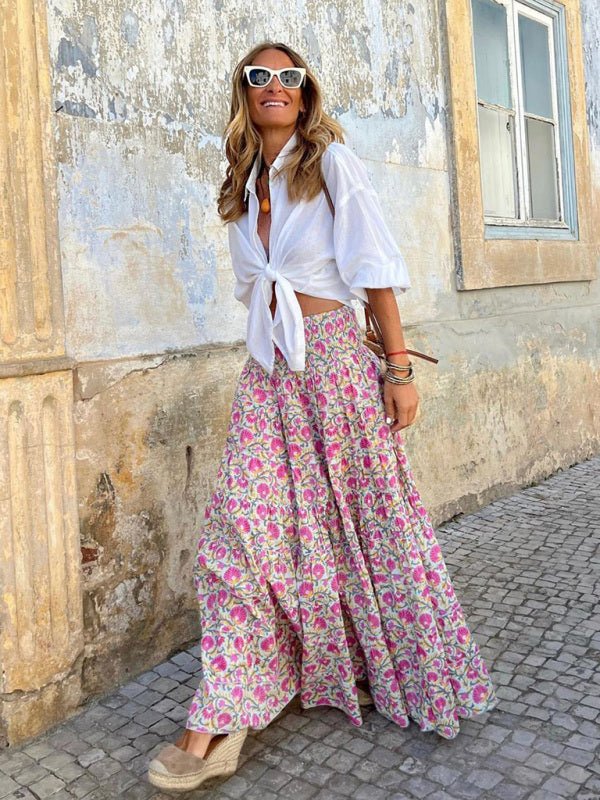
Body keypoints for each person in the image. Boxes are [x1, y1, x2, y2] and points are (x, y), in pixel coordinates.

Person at [147, 40, 498, 792]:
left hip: (336, 363)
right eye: (259, 76)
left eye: (289, 77)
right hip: (269, 372)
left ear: (305, 93)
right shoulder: (241, 184)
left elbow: (374, 269)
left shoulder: (331, 163)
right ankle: (221, 711)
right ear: (244, 93)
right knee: (239, 533)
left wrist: (398, 369)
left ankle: (369, 663)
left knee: (365, 523)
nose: (274, 85)